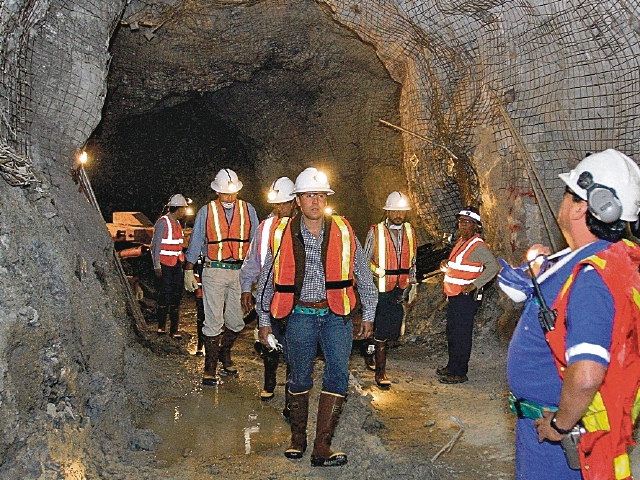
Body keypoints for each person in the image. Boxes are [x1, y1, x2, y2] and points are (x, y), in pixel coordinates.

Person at [504, 149, 640, 480]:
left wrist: (560, 424)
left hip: (559, 437)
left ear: (582, 206)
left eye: (568, 194)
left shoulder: (593, 278)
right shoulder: (613, 260)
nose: (561, 203)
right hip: (567, 428)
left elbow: (588, 374)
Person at [254, 167, 378, 467]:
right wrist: (263, 321)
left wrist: (369, 315)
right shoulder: (281, 234)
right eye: (309, 195)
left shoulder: (344, 231)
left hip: (336, 314)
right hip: (299, 315)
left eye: (320, 196)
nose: (315, 202)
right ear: (298, 200)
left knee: (337, 374)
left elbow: (362, 274)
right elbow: (267, 280)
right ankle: (298, 437)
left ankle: (322, 445)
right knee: (299, 376)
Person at [183, 168, 259, 385]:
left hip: (240, 273)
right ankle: (210, 368)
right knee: (213, 322)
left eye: (233, 193)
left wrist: (256, 273)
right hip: (213, 270)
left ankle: (225, 352)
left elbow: (256, 243)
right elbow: (196, 240)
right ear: (217, 192)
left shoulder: (248, 210)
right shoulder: (207, 211)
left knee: (236, 323)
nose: (229, 198)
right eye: (225, 194)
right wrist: (188, 269)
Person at [239, 176, 297, 400]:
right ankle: (269, 383)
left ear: (294, 202)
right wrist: (246, 287)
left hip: (297, 296)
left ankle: (292, 391)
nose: (279, 208)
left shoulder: (303, 226)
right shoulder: (265, 227)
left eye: (284, 203)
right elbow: (253, 260)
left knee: (295, 345)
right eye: (277, 204)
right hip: (271, 293)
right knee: (269, 340)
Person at [438, 206, 498, 384]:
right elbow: (459, 264)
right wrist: (446, 264)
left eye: (466, 222)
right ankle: (451, 366)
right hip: (454, 296)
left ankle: (459, 372)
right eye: (460, 221)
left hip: (465, 299)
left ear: (475, 226)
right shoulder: (462, 242)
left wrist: (474, 284)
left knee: (461, 335)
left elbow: (493, 267)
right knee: (453, 333)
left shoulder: (477, 246)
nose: (462, 225)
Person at [363, 191, 417, 387]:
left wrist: (413, 283)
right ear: (387, 210)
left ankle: (368, 350)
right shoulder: (375, 231)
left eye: (401, 211)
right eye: (394, 210)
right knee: (382, 331)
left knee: (391, 329)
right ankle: (380, 373)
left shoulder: (410, 231)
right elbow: (364, 259)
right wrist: (378, 271)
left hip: (399, 287)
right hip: (380, 287)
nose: (398, 214)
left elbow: (412, 260)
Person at [151, 193, 189, 339]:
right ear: (178, 208)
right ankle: (161, 327)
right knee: (164, 295)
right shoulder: (163, 222)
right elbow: (155, 245)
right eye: (183, 209)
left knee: (176, 297)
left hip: (175, 264)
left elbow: (179, 244)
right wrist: (156, 266)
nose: (184, 212)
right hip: (165, 265)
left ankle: (174, 330)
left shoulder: (177, 224)